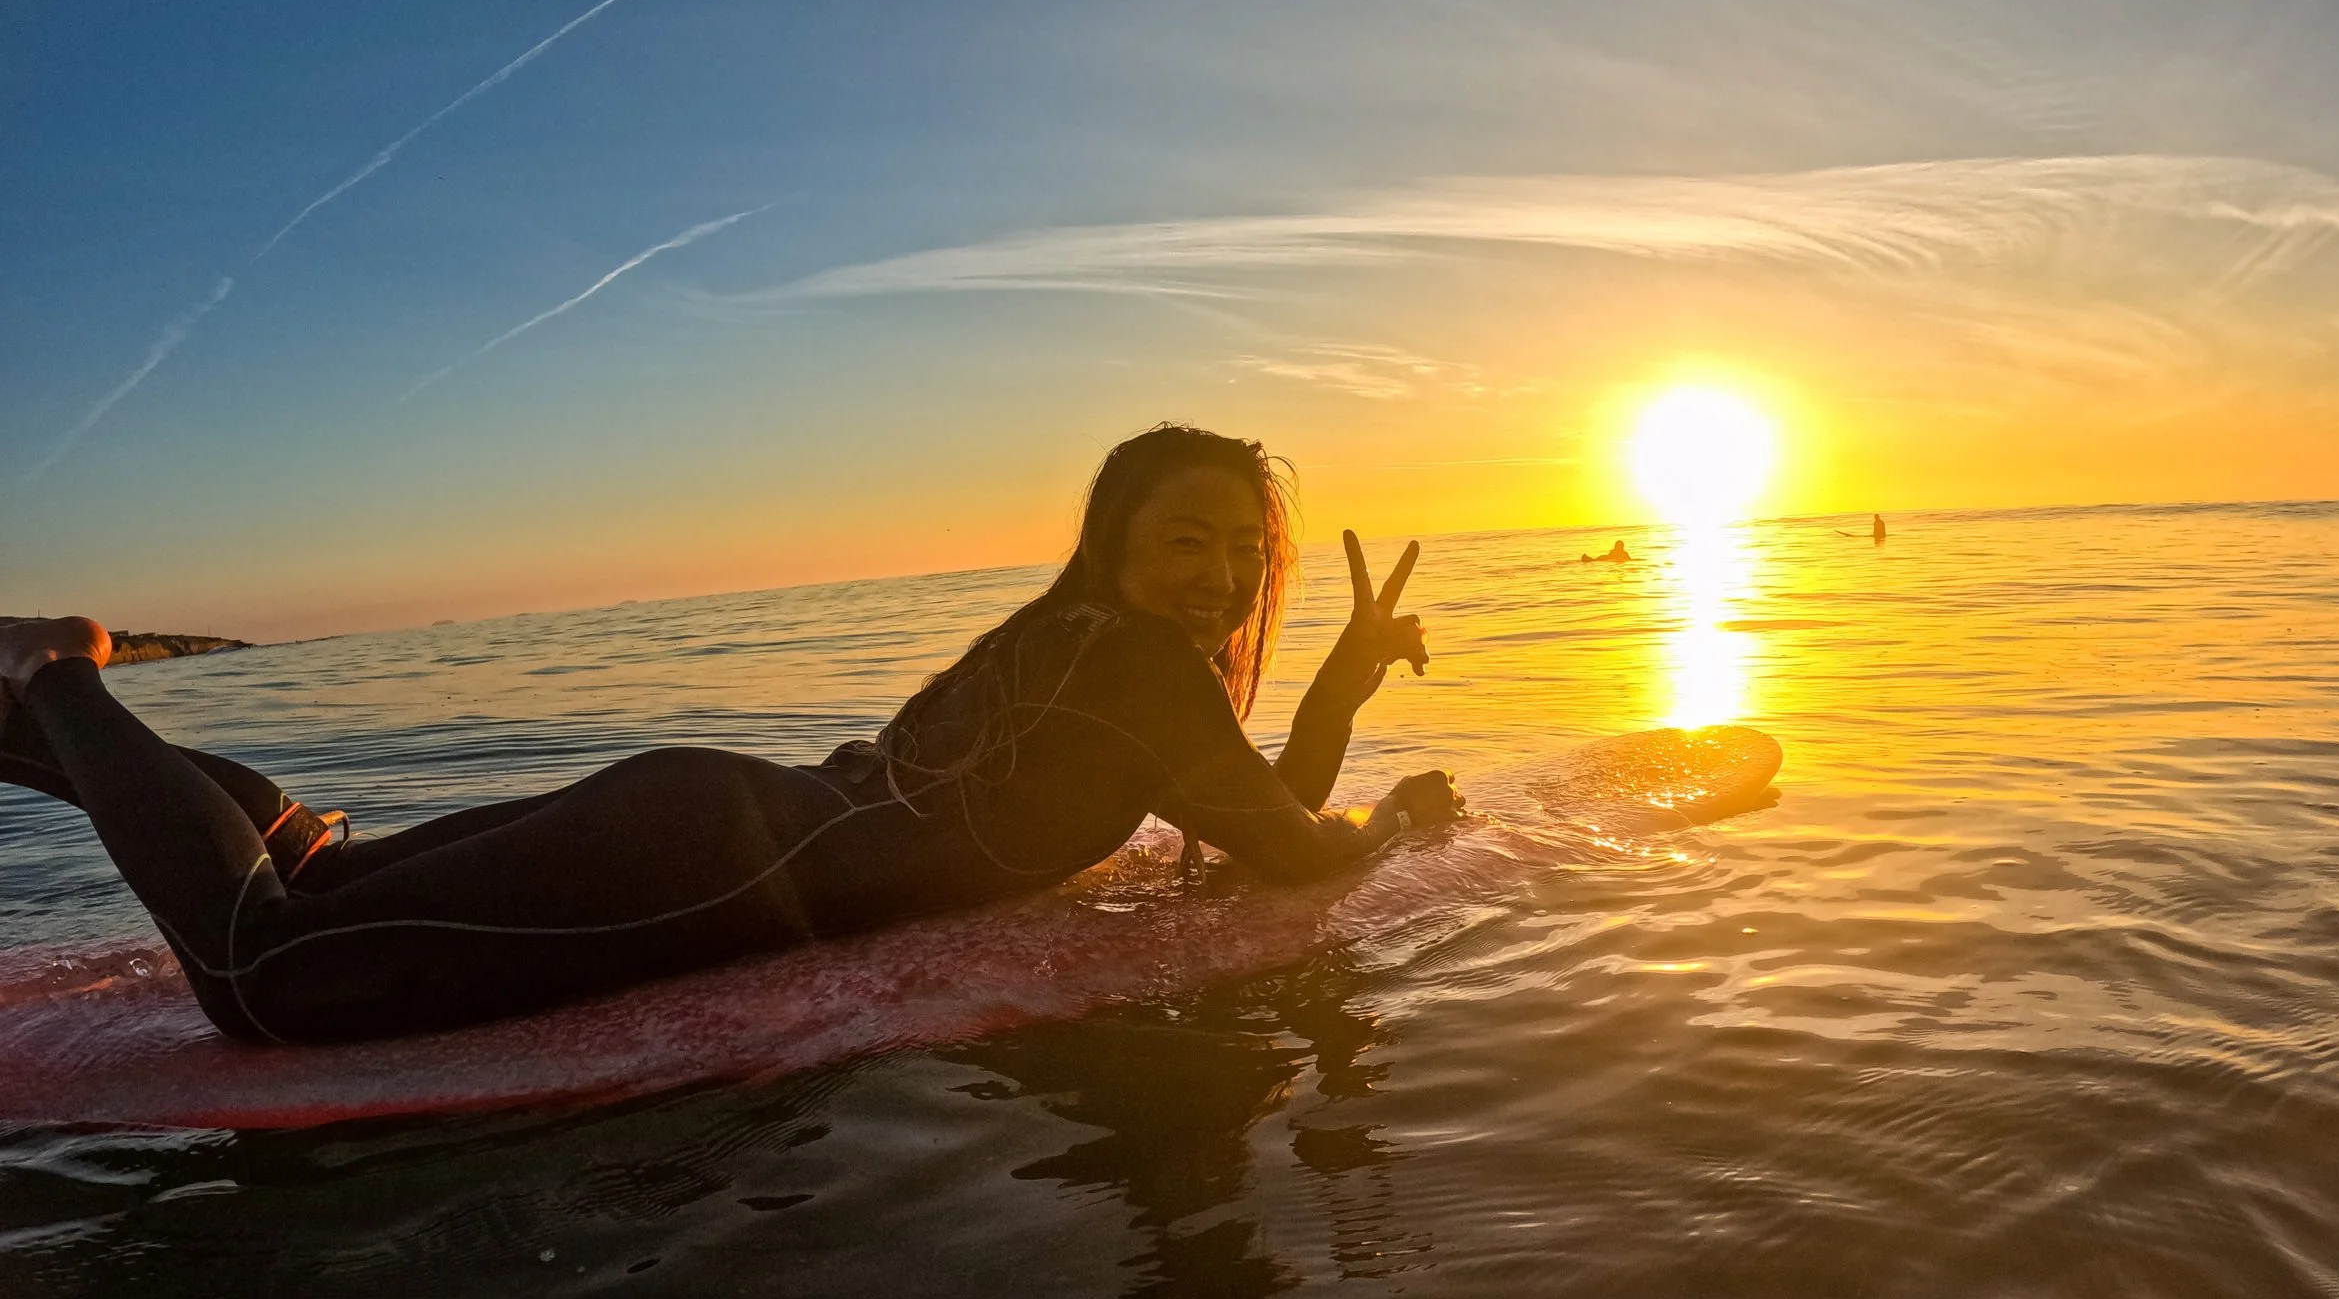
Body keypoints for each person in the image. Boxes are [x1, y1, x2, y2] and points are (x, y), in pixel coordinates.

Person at [0, 426, 1461, 1049]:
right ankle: (63, 676)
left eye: (1235, 554)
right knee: (261, 981)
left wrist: (1332, 685)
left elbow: (1236, 808)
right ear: (1113, 540)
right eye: (1184, 539)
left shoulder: (1067, 641)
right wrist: (1397, 821)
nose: (1215, 578)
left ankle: (16, 727)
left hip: (714, 818)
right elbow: (1288, 853)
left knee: (310, 870)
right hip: (714, 859)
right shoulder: (1145, 664)